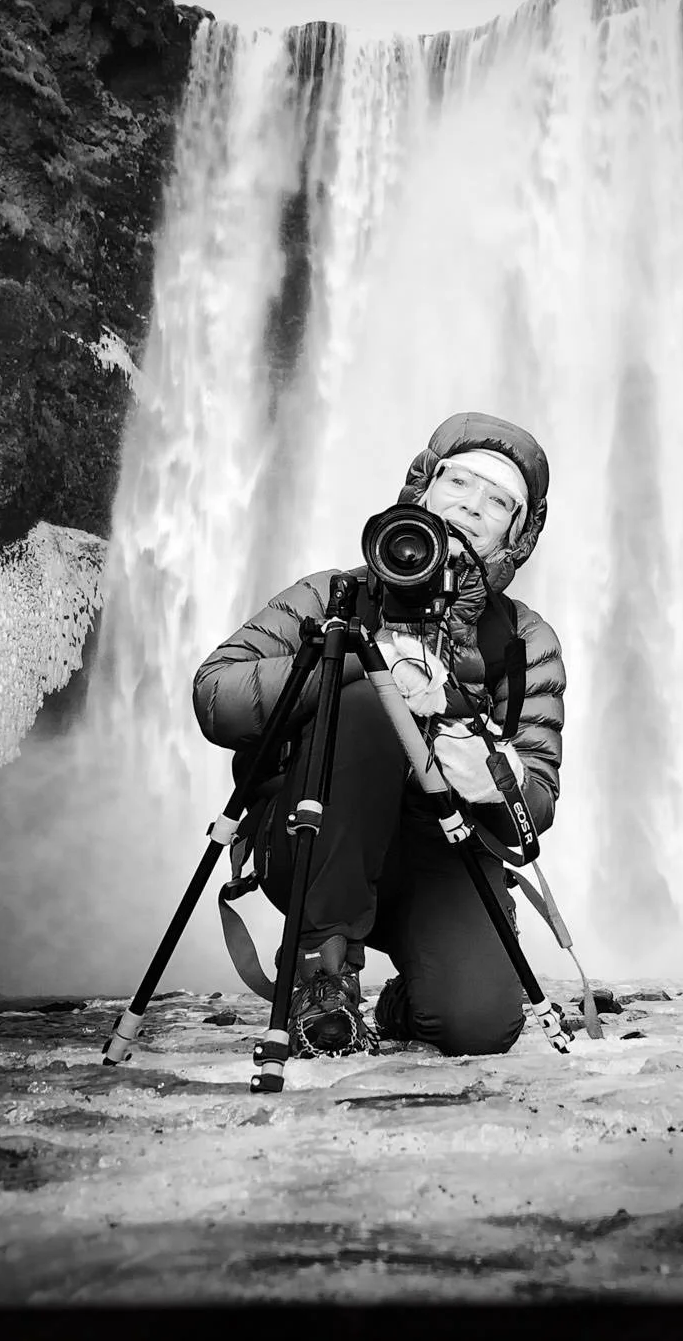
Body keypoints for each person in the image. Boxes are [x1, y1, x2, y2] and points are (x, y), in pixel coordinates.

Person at [192, 412, 565, 1058]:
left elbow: (536, 808)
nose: (474, 507)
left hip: (441, 854)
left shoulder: (524, 641)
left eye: (500, 500)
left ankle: (406, 999)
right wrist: (355, 668)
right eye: (459, 482)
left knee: (476, 1027)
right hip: (311, 840)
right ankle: (322, 975)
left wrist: (485, 766)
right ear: (423, 488)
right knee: (369, 700)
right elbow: (215, 694)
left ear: (516, 533)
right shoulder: (332, 597)